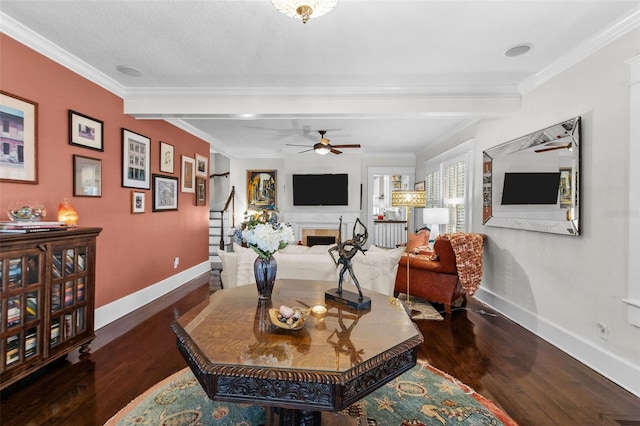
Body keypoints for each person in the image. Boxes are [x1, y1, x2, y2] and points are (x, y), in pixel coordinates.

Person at [328, 217, 368, 300]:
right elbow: (342, 233)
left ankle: (360, 293)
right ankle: (339, 289)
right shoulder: (350, 242)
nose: (355, 237)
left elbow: (366, 234)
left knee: (353, 276)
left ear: (359, 239)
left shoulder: (358, 244)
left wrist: (360, 223)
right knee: (341, 273)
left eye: (357, 237)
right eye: (355, 237)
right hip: (343, 259)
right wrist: (341, 222)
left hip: (348, 261)